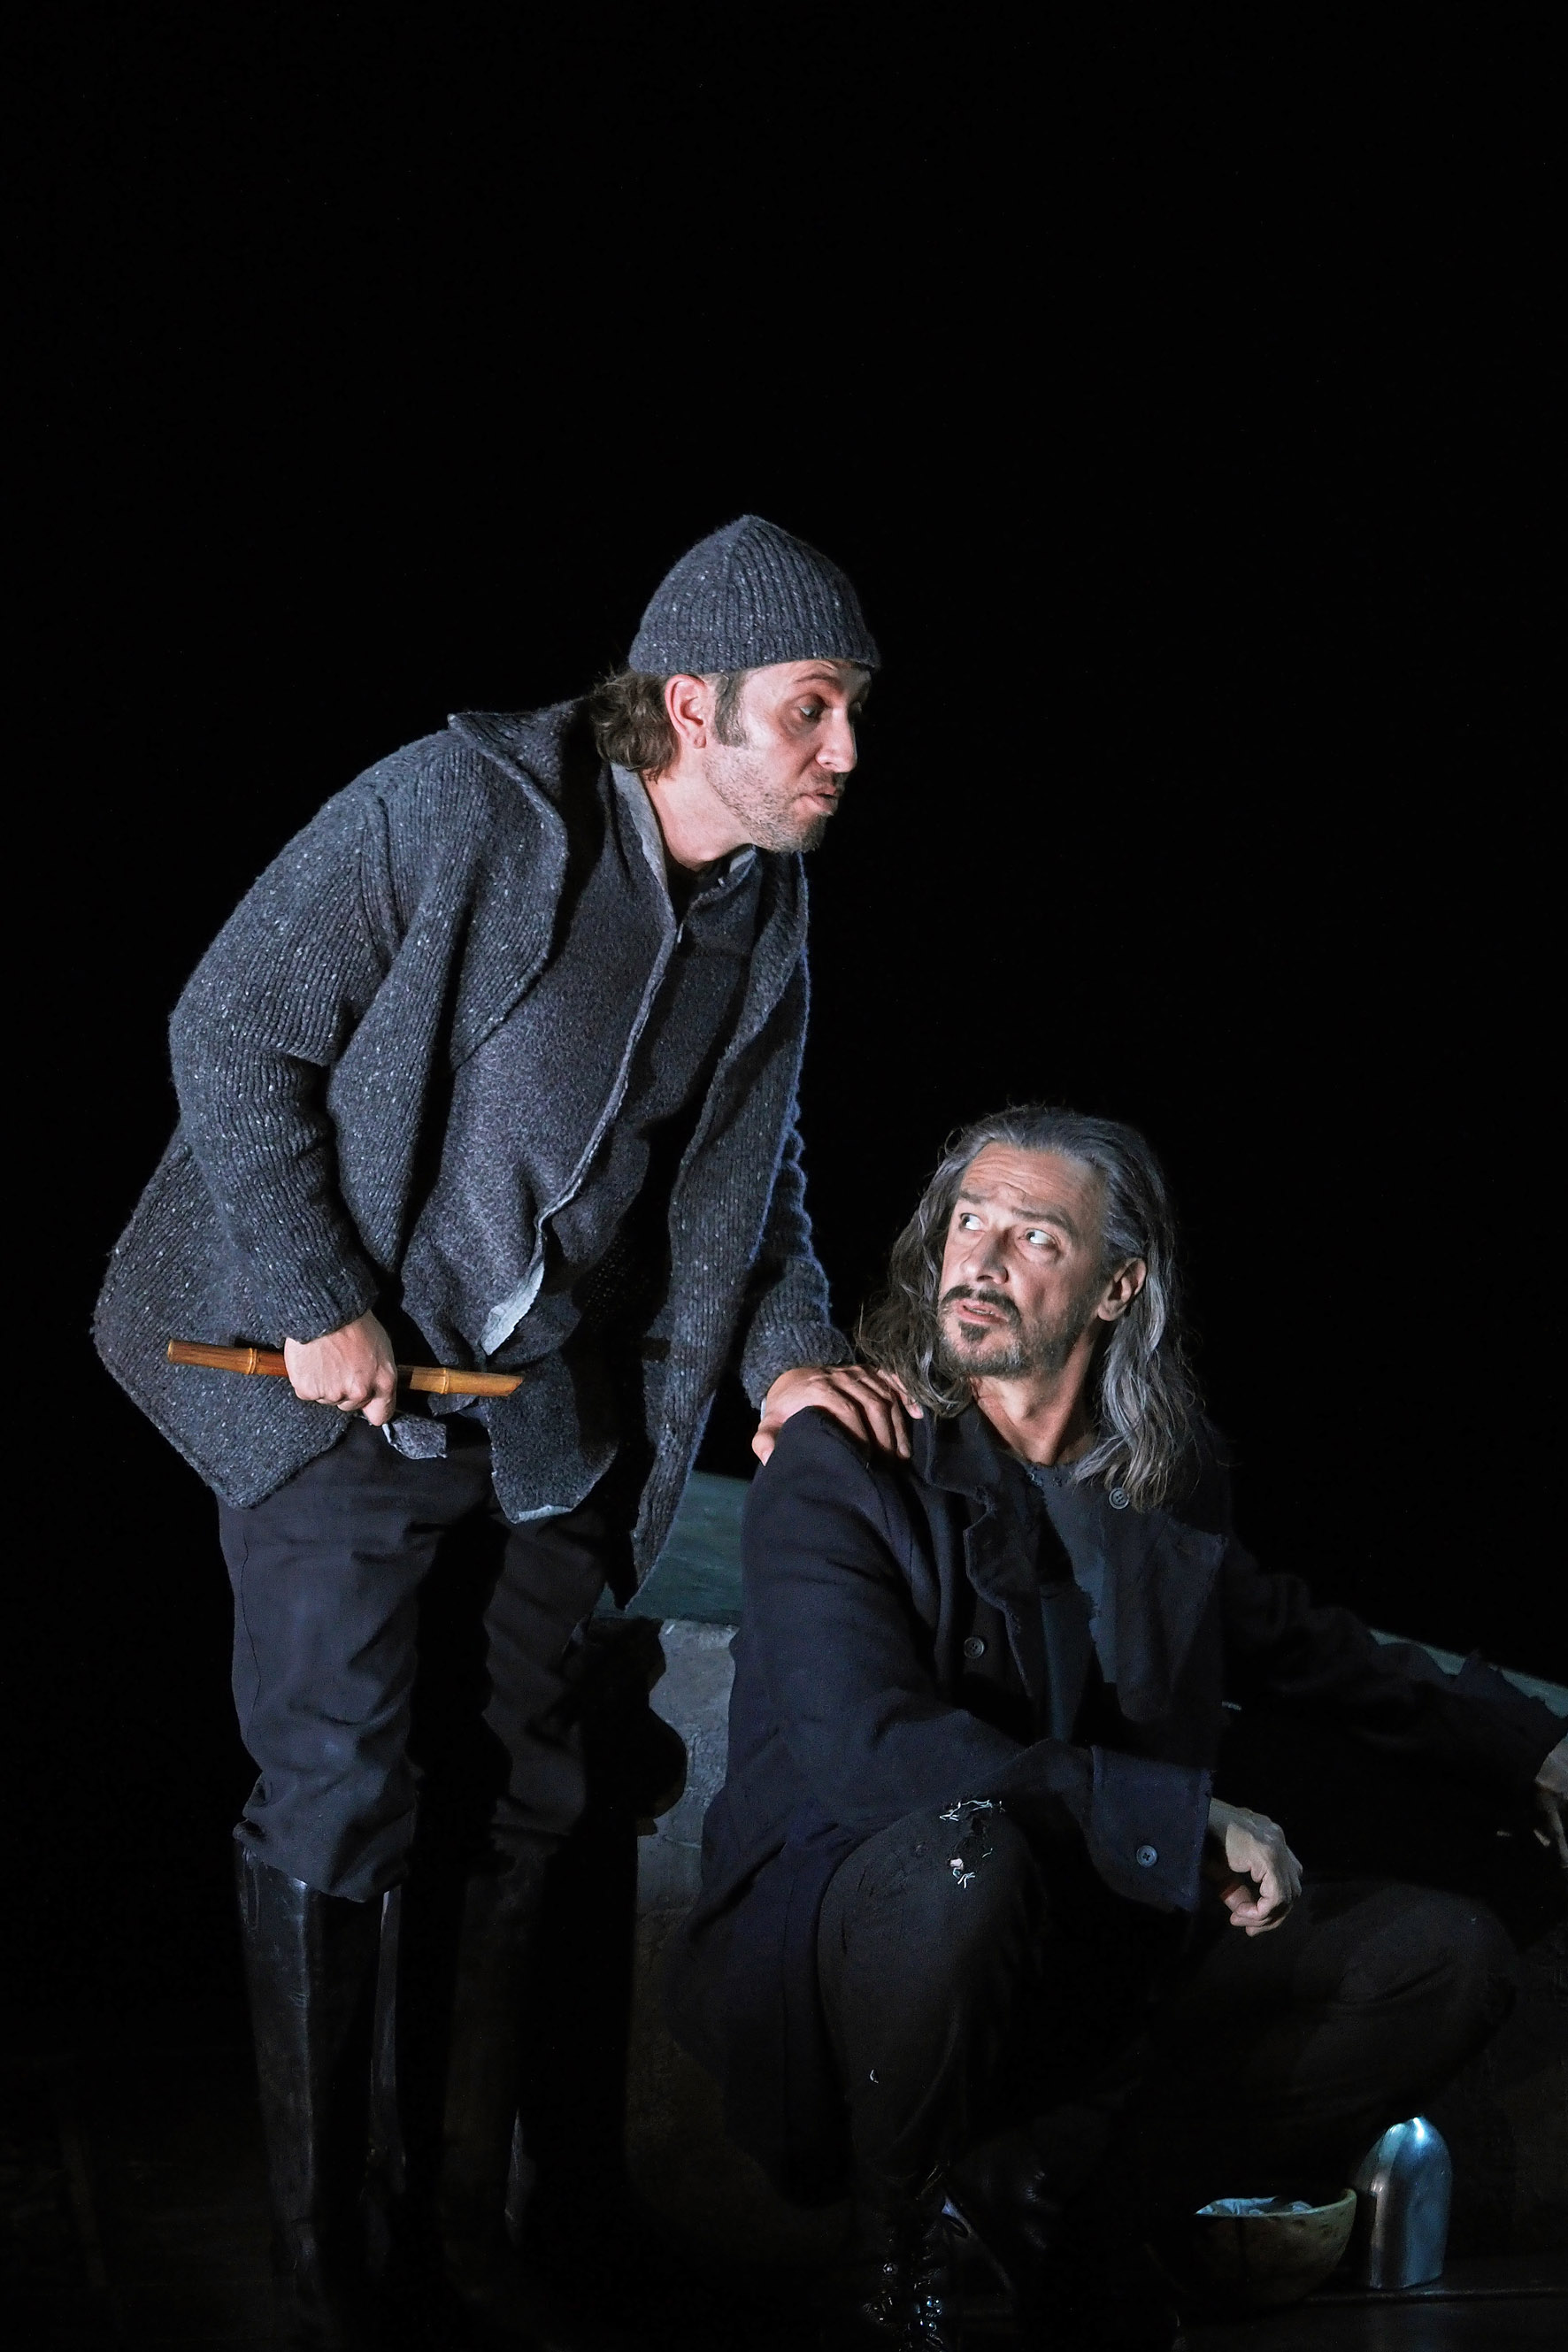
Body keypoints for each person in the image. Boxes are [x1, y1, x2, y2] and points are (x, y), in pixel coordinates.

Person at [94, 515, 913, 2348]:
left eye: (852, 710)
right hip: (337, 1396)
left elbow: (754, 1178)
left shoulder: (762, 909)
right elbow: (231, 1029)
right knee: (344, 1789)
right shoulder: (454, 809)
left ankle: (481, 2236)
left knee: (541, 1791)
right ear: (690, 703)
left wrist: (789, 1356)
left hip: (542, 1416)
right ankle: (336, 2273)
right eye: (812, 708)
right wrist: (318, 1295)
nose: (846, 750)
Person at [665, 1104, 1568, 2351]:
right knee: (969, 1852)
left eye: (1035, 1237)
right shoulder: (844, 1459)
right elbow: (873, 1749)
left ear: (1116, 1286)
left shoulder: (1157, 1480)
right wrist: (1172, 1816)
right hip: (863, 1949)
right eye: (967, 1222)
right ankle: (895, 2257)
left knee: (1447, 1956)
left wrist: (1530, 1746)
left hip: (1088, 1960)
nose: (981, 1260)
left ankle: (1072, 2213)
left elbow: (1306, 1645)